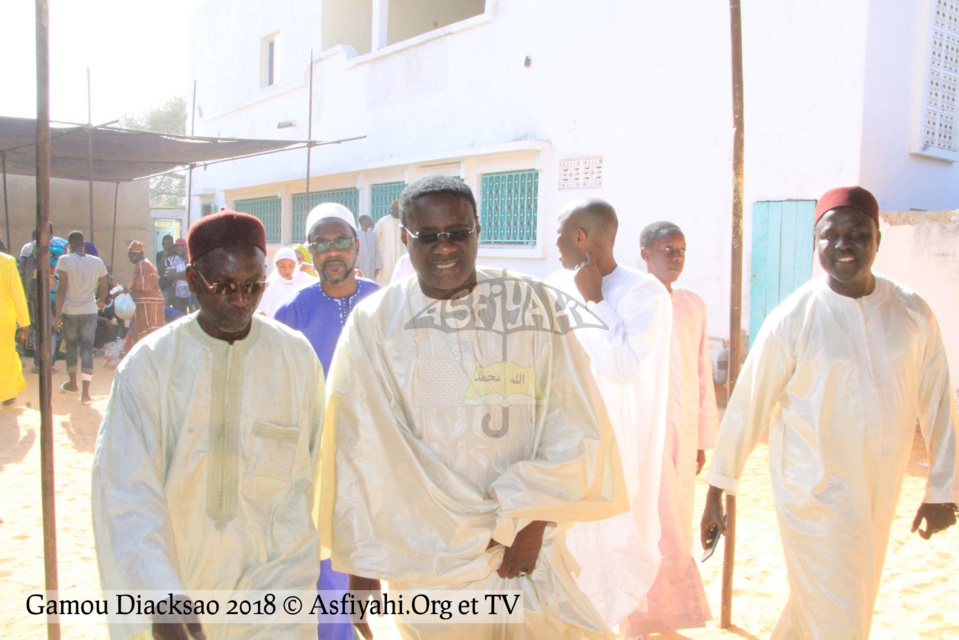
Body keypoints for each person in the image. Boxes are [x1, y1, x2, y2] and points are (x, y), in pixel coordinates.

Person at [322, 176, 628, 639]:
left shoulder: (531, 304)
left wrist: (530, 518)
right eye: (427, 236)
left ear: (477, 230)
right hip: (429, 562)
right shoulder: (374, 324)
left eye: (457, 232)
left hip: (524, 553)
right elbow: (357, 448)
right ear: (405, 238)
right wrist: (363, 566)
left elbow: (574, 421)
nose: (444, 247)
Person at [701, 186, 959, 640]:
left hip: (880, 489)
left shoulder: (913, 311)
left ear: (878, 239)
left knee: (826, 605)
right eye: (831, 234)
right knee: (839, 613)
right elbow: (747, 403)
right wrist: (717, 489)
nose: (844, 244)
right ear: (815, 242)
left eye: (858, 233)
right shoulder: (794, 317)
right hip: (812, 492)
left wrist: (943, 489)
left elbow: (939, 402)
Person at [92, 211, 325, 640]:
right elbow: (127, 493)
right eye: (224, 286)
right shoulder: (151, 366)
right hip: (181, 582)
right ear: (193, 279)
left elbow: (316, 474)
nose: (241, 299)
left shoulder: (295, 359)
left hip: (275, 586)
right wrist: (159, 597)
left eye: (254, 286)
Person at [550, 199, 673, 630]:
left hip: (618, 455)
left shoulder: (645, 294)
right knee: (565, 563)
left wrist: (594, 301)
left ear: (582, 238)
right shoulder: (556, 286)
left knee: (611, 560)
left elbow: (621, 365)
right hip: (563, 451)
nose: (556, 243)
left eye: (562, 234)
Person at [275, 203, 381, 640]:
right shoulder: (292, 313)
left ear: (357, 246)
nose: (332, 251)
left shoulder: (383, 301)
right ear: (310, 252)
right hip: (316, 453)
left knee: (369, 548)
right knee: (324, 556)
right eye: (321, 243)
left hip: (376, 450)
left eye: (341, 241)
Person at [623, 221, 717, 637]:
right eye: (667, 250)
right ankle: (637, 616)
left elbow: (701, 375)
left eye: (681, 250)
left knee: (676, 521)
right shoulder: (628, 300)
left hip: (681, 436)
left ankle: (668, 615)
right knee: (645, 523)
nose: (676, 258)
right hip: (643, 437)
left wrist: (700, 439)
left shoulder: (692, 305)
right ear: (645, 253)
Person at [54, 231, 108, 405]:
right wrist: (101, 301)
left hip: (70, 312)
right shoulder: (97, 262)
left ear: (69, 244)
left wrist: (57, 315)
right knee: (87, 348)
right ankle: (86, 393)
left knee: (71, 347)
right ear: (83, 243)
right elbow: (104, 284)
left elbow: (61, 289)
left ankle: (72, 384)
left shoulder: (65, 260)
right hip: (90, 311)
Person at [1, 250, 31, 406]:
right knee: (5, 354)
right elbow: (16, 293)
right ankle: (8, 393)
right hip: (3, 318)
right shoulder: (7, 261)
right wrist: (24, 321)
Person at [124, 240, 165, 349]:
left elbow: (144, 287)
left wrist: (129, 291)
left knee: (147, 333)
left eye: (130, 255)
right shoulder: (145, 263)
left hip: (148, 305)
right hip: (148, 303)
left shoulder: (142, 265)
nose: (129, 259)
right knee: (148, 333)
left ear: (134, 255)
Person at [256, 247, 317, 317]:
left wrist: (313, 268)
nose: (287, 270)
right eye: (283, 266)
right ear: (276, 266)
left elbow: (323, 284)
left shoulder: (301, 278)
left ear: (295, 265)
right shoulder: (269, 285)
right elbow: (261, 309)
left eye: (291, 266)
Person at [373, 199, 407, 285]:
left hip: (401, 256)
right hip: (385, 258)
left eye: (395, 209)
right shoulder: (383, 221)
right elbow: (374, 239)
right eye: (392, 208)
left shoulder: (405, 222)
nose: (392, 211)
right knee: (384, 281)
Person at [355, 214, 383, 280]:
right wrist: (355, 265)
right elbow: (354, 250)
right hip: (360, 264)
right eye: (368, 220)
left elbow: (376, 251)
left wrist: (377, 266)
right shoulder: (356, 234)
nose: (370, 221)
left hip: (371, 265)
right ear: (362, 221)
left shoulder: (373, 235)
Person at [156, 234, 176, 308]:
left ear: (172, 244)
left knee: (177, 312)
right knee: (164, 310)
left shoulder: (177, 253)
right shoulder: (159, 254)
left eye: (168, 244)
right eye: (164, 244)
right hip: (165, 286)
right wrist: (163, 258)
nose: (166, 246)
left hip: (176, 287)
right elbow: (160, 273)